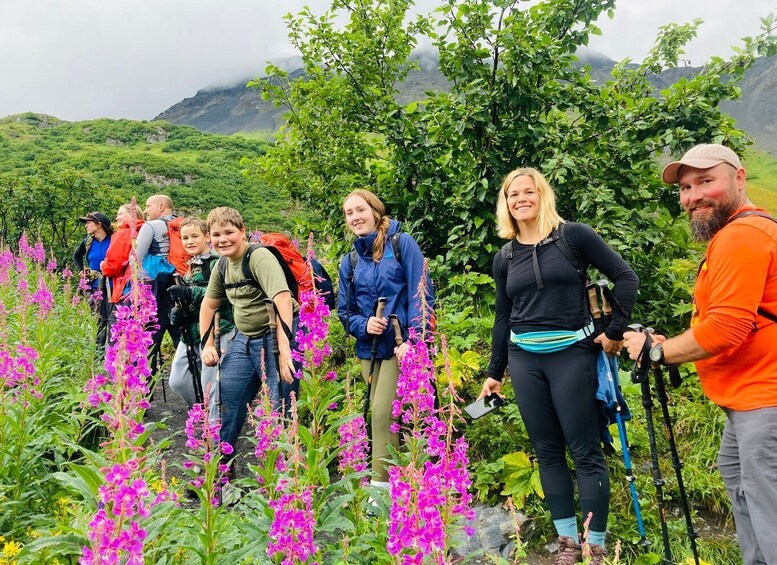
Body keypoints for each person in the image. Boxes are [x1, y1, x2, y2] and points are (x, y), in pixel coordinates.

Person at [623, 144, 777, 565]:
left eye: (706, 181)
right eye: (686, 188)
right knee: (742, 486)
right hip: (746, 399)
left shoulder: (742, 236)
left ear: (740, 177)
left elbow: (726, 329)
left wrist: (658, 352)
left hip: (764, 401)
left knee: (769, 512)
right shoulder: (746, 232)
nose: (693, 196)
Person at [478, 167, 639, 564]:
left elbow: (625, 277)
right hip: (525, 360)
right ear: (506, 204)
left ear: (542, 195)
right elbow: (503, 316)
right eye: (513, 195)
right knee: (547, 452)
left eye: (528, 192)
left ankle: (595, 545)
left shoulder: (573, 236)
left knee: (585, 451)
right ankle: (567, 543)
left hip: (572, 354)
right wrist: (495, 372)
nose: (521, 199)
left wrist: (615, 331)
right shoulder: (505, 256)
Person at [337, 189, 434, 489]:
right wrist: (364, 324)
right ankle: (407, 486)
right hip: (369, 348)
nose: (355, 217)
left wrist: (414, 341)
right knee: (391, 421)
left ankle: (380, 492)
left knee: (382, 414)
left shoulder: (401, 243)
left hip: (399, 345)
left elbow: (421, 293)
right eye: (349, 213)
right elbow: (345, 311)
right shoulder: (350, 260)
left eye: (360, 210)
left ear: (375, 211)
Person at [199, 207, 296, 459]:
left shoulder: (259, 257)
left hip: (276, 335)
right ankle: (220, 470)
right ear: (209, 237)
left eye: (229, 232)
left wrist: (285, 352)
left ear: (243, 232)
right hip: (245, 338)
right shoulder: (222, 265)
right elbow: (209, 305)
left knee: (279, 407)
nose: (223, 240)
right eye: (216, 234)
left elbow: (283, 299)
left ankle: (284, 480)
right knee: (225, 397)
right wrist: (207, 344)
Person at [167, 217, 235, 421]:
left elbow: (224, 294)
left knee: (211, 383)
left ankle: (216, 428)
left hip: (218, 328)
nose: (189, 241)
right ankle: (202, 412)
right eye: (185, 238)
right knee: (177, 381)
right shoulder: (190, 266)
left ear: (207, 237)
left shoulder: (218, 262)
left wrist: (191, 294)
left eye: (195, 236)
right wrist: (177, 313)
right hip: (192, 330)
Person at [138, 194, 182, 377]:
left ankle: (143, 391)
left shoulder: (150, 226)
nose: (145, 210)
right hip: (180, 286)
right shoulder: (184, 226)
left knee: (149, 341)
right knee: (182, 340)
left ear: (161, 206)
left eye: (148, 206)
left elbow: (136, 258)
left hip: (156, 289)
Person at [73, 211, 114, 346]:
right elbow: (76, 256)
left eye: (88, 222)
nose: (86, 226)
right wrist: (81, 271)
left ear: (99, 224)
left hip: (113, 285)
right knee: (98, 319)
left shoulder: (114, 239)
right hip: (95, 285)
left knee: (113, 320)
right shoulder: (88, 242)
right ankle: (98, 353)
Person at [101, 204, 145, 305]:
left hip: (125, 288)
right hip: (141, 285)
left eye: (120, 214)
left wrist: (103, 265)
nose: (117, 217)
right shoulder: (144, 229)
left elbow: (113, 265)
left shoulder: (124, 233)